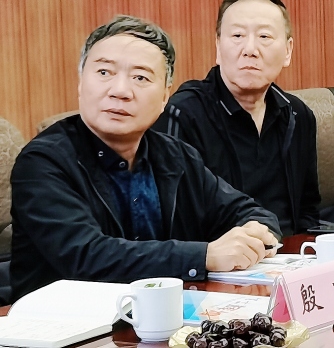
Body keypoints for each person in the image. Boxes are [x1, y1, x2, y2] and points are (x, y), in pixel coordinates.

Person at [11, 16, 281, 300]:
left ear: (165, 96)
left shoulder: (174, 155)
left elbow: (249, 212)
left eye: (140, 78)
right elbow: (87, 257)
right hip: (65, 320)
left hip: (161, 316)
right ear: (80, 84)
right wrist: (204, 256)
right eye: (104, 72)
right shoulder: (42, 162)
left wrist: (254, 233)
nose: (120, 91)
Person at [154, 0, 320, 235]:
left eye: (264, 37)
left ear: (288, 51)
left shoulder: (297, 115)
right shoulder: (183, 114)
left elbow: (308, 210)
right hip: (219, 255)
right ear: (218, 47)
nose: (250, 50)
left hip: (292, 253)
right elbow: (174, 221)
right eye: (238, 36)